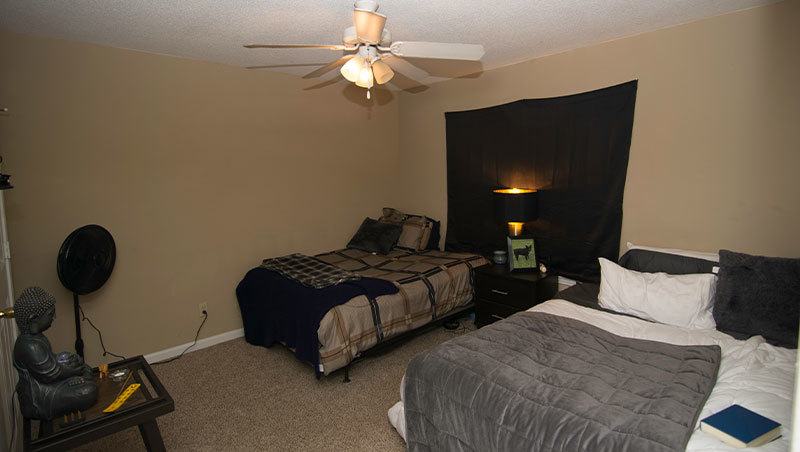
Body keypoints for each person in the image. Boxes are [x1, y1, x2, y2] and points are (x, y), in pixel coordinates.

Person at [13, 287, 98, 420]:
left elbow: (51, 361)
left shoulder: (37, 338)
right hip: (41, 396)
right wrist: (75, 370)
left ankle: (79, 377)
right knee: (88, 391)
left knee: (76, 363)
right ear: (34, 319)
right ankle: (80, 379)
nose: (54, 317)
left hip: (50, 382)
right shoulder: (29, 346)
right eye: (50, 314)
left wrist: (67, 360)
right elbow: (50, 374)